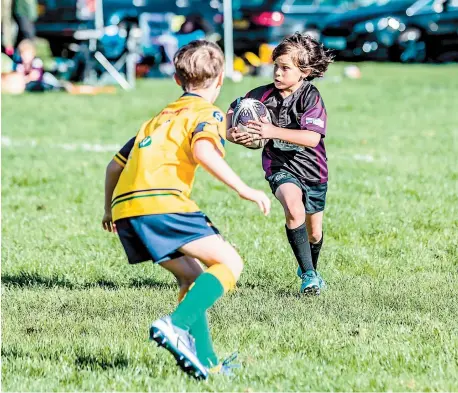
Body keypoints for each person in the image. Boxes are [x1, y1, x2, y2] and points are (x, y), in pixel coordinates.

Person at [102, 40, 271, 379]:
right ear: (220, 79)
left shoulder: (157, 118)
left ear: (178, 81)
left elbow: (114, 166)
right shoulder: (207, 114)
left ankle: (207, 361)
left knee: (191, 275)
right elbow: (204, 154)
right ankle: (175, 325)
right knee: (229, 262)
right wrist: (245, 189)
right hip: (161, 202)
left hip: (127, 210)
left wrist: (108, 210)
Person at [226, 33, 333, 295]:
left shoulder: (310, 97)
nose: (277, 72)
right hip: (280, 167)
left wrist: (271, 131)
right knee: (293, 209)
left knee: (315, 233)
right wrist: (233, 134)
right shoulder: (261, 95)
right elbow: (233, 109)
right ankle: (309, 275)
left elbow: (311, 137)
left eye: (285, 68)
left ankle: (309, 266)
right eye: (275, 65)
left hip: (314, 170)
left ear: (304, 72)